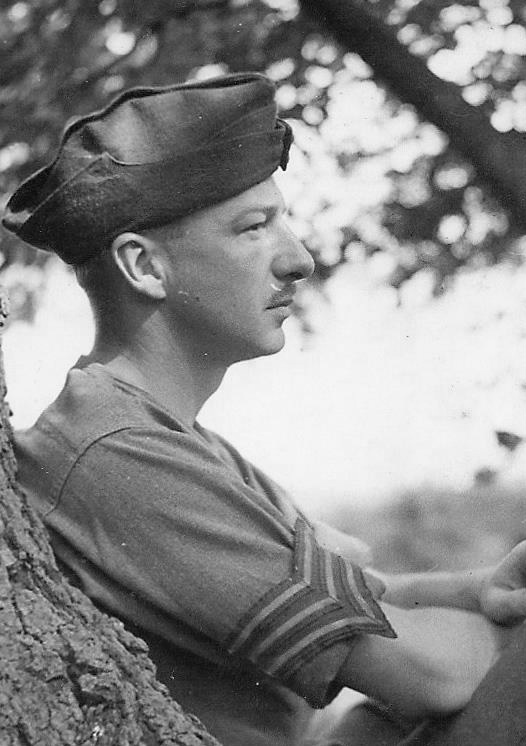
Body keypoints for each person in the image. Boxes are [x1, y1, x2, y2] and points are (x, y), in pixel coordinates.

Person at [3, 72, 526, 746]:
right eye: (253, 229)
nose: (299, 259)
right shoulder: (118, 454)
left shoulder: (162, 437)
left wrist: (478, 589)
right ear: (144, 267)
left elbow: (367, 594)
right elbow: (432, 676)